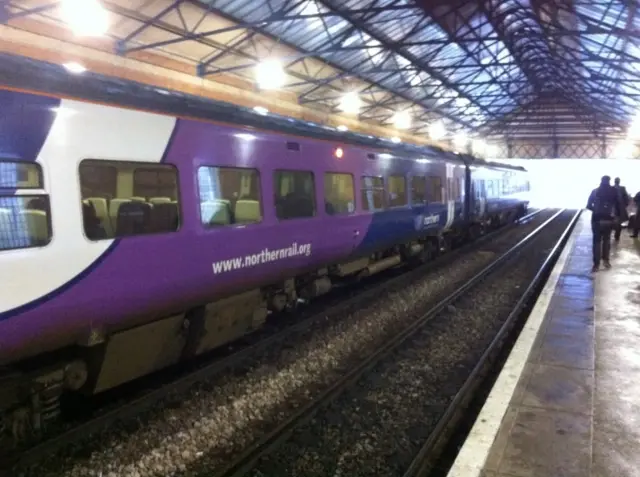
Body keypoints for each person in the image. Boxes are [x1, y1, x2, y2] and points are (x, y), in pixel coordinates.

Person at [586, 175, 622, 272]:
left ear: (601, 181)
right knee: (606, 240)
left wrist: (596, 211)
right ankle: (606, 261)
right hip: (609, 220)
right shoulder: (614, 191)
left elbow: (588, 206)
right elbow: (619, 206)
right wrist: (616, 217)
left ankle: (596, 265)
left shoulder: (595, 191)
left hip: (597, 220)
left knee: (596, 242)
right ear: (609, 181)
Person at [613, 177, 630, 241]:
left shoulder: (611, 188)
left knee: (614, 222)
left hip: (614, 208)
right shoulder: (622, 188)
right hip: (619, 208)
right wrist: (624, 206)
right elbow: (626, 198)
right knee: (618, 223)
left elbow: (626, 198)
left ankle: (615, 235)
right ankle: (617, 236)